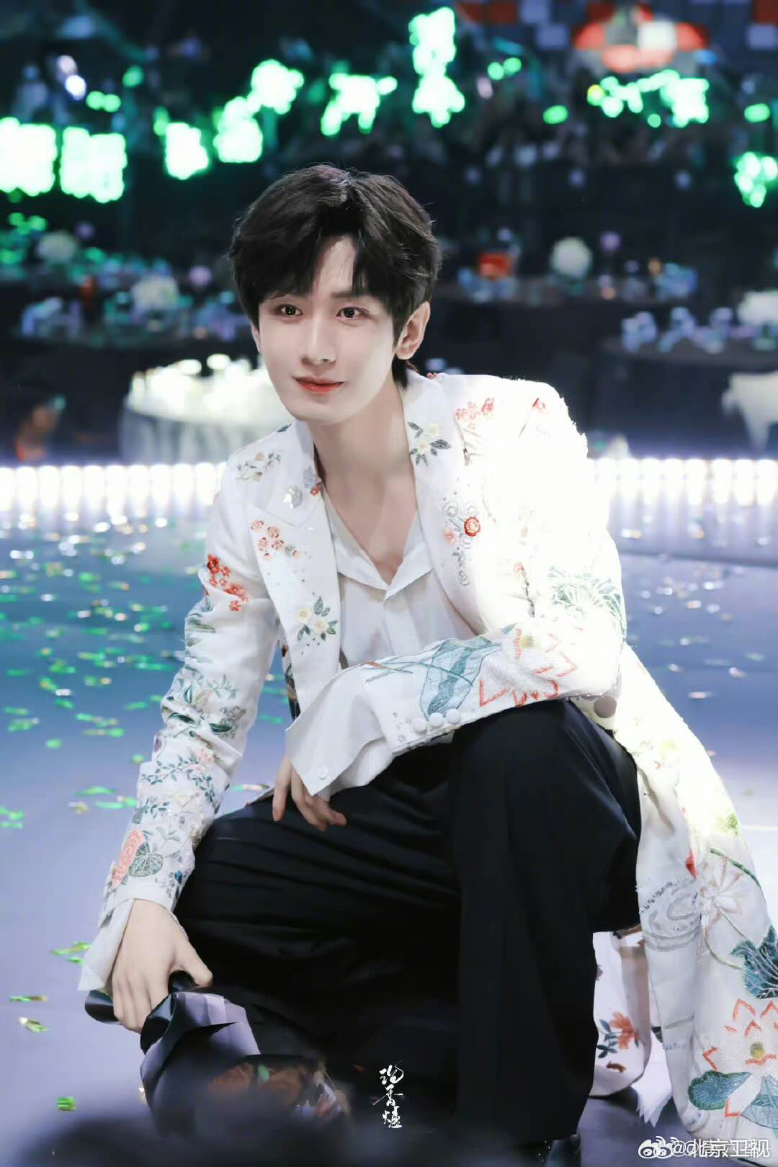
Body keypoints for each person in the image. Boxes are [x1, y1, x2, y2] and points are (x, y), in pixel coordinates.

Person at [78, 165, 778, 1167]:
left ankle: (513, 1130)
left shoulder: (512, 426)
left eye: (351, 311)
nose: (316, 346)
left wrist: (367, 699)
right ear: (256, 322)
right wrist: (146, 893)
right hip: (400, 826)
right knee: (204, 887)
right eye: (287, 310)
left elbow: (581, 643)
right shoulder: (256, 489)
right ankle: (427, 1041)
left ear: (407, 330)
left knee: (516, 746)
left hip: (565, 809)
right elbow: (201, 720)